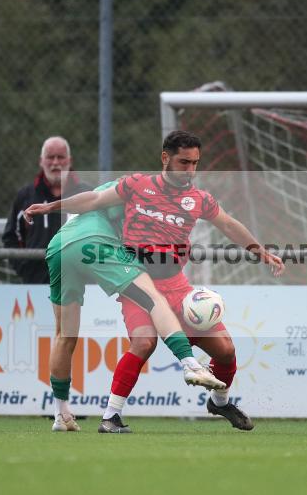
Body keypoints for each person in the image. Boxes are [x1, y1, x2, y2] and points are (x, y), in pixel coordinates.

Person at [27, 130, 285, 434]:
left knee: (226, 350)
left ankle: (220, 401)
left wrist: (261, 252)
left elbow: (228, 224)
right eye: (183, 162)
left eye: (195, 164)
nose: (190, 170)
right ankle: (111, 416)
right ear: (165, 158)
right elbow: (94, 199)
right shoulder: (137, 185)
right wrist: (50, 207)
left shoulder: (198, 200)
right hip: (140, 282)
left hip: (177, 286)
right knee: (143, 342)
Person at [25, 179, 227, 432]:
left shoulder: (111, 189)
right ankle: (190, 364)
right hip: (95, 243)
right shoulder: (135, 189)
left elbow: (91, 201)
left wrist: (49, 207)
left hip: (59, 247)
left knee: (64, 335)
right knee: (155, 300)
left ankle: (61, 414)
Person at [3, 136, 90, 284]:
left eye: (60, 157)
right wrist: (25, 268)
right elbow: (11, 237)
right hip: (35, 283)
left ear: (70, 160)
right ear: (41, 161)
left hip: (79, 284)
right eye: (50, 157)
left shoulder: (87, 195)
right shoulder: (25, 196)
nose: (55, 162)